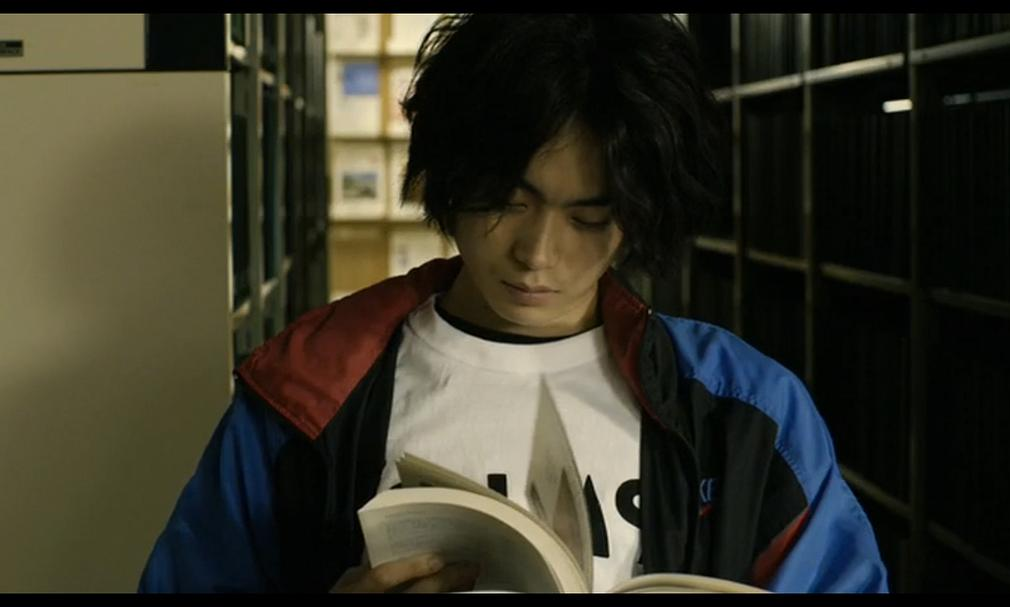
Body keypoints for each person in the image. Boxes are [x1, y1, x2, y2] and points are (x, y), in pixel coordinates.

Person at [139, 13, 888, 593]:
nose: (537, 252)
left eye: (588, 218)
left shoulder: (746, 413)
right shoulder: (308, 395)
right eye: (506, 201)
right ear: (449, 177)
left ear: (638, 216)